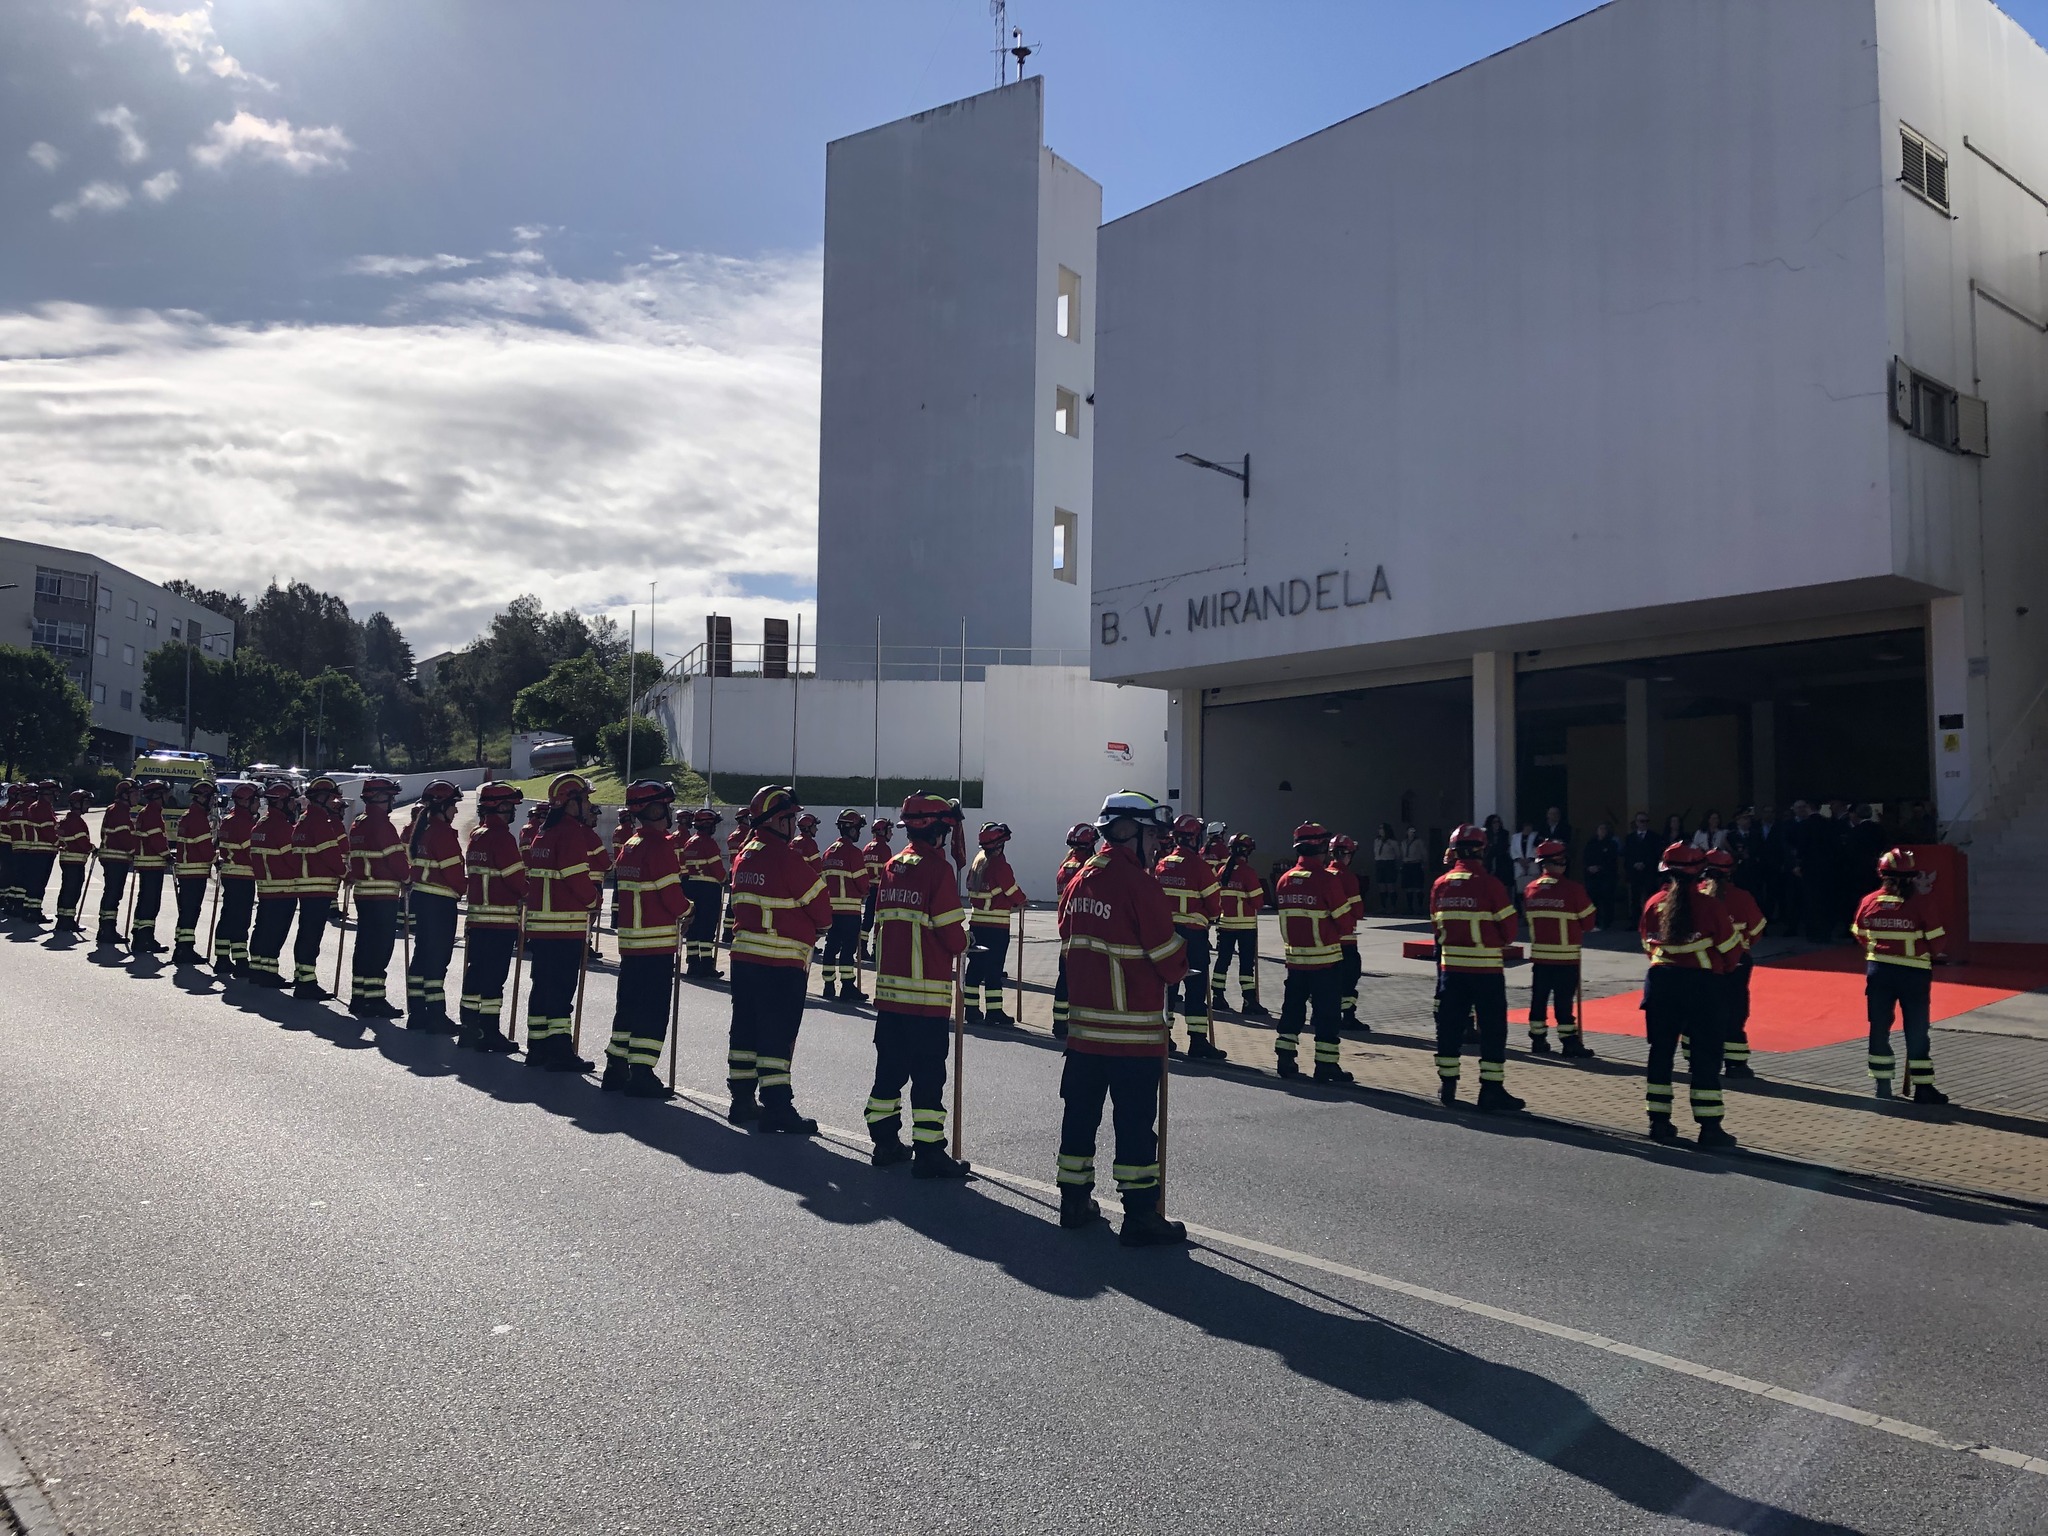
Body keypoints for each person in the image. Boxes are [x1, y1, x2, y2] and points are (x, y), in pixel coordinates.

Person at [1056, 790, 1189, 1246]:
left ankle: (1073, 1202)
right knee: (1134, 1126)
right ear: (1127, 831)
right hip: (1132, 1035)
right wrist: (1183, 943)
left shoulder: (1080, 879)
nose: (1157, 846)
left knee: (1079, 1118)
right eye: (1152, 835)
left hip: (1083, 1035)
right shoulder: (1140, 885)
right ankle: (1139, 1217)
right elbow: (1170, 963)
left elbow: (1065, 936)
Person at [866, 792, 973, 1177]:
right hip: (925, 999)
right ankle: (929, 1153)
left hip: (889, 999)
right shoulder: (937, 870)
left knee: (888, 1072)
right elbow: (951, 935)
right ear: (937, 830)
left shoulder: (892, 866)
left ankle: (884, 1144)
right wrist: (965, 941)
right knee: (928, 1079)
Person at [726, 785, 835, 1132]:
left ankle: (741, 1101)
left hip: (745, 961)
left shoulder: (744, 856)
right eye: (792, 818)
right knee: (777, 1034)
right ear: (779, 820)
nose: (796, 823)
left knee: (744, 1031)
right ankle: (776, 1106)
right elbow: (823, 911)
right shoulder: (787, 858)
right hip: (781, 964)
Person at [1639, 843, 1743, 1148]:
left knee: (1660, 1055)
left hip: (1661, 985)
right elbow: (1732, 952)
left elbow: (1648, 946)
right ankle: (1709, 1128)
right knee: (1704, 1059)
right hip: (1703, 989)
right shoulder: (1710, 907)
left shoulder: (1652, 904)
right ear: (1700, 871)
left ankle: (1658, 1123)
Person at [602, 779, 693, 1100]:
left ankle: (616, 1066)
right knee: (652, 1010)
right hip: (655, 943)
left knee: (627, 1006)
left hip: (631, 942)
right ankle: (642, 1072)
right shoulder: (659, 845)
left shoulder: (630, 845)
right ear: (654, 809)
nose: (668, 811)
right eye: (665, 805)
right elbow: (672, 896)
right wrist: (689, 909)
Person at [1430, 822, 1523, 1112]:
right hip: (1486, 973)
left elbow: (1436, 924)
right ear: (1483, 850)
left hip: (1451, 972)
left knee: (1449, 1028)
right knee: (1493, 1031)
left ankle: (1448, 1084)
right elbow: (1509, 931)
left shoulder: (1440, 884)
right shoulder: (1491, 884)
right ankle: (1491, 1091)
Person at [521, 773, 608, 1071]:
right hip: (565, 927)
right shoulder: (570, 833)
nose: (588, 804)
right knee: (560, 992)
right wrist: (594, 901)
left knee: (543, 988)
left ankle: (537, 1048)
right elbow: (576, 879)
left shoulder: (544, 833)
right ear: (572, 802)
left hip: (542, 928)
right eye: (585, 799)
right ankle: (559, 1051)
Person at [1853, 848, 1949, 1104]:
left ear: (1882, 875)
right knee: (1916, 1029)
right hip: (1914, 974)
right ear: (1912, 876)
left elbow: (1859, 933)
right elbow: (1937, 942)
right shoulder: (1921, 903)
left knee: (1879, 1027)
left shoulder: (1868, 901)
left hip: (1879, 972)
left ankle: (1882, 1084)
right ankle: (1923, 1088)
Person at [1273, 822, 1356, 1084]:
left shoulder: (1284, 880)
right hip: (1325, 963)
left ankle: (1285, 1059)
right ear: (1321, 847)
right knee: (1327, 1015)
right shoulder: (1326, 881)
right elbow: (1346, 923)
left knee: (1292, 1012)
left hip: (1295, 962)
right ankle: (1326, 1065)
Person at [458, 783, 527, 1053]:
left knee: (475, 976)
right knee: (493, 979)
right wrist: (528, 893)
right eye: (510, 806)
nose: (512, 812)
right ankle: (489, 1030)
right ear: (499, 807)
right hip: (499, 921)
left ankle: (469, 1028)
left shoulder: (477, 835)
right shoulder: (502, 837)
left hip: (477, 920)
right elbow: (516, 881)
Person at [1154, 814, 1226, 1061]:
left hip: (1166, 936)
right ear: (1196, 838)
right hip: (1194, 937)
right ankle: (1198, 1041)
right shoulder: (1199, 867)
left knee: (1169, 987)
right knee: (1196, 990)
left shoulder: (1162, 864)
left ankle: (1165, 1036)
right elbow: (1215, 907)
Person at [1522, 840, 1596, 1058]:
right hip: (1566, 958)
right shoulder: (1573, 890)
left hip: (1539, 959)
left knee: (1539, 1000)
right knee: (1563, 1003)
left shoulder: (1530, 889)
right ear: (1561, 861)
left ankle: (1537, 1039)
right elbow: (1589, 923)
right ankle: (1569, 1042)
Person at [344, 777, 410, 1020]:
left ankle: (359, 996)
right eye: (391, 796)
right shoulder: (382, 824)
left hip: (363, 893)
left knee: (364, 946)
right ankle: (374, 999)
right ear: (382, 797)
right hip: (383, 894)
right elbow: (396, 860)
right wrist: (407, 878)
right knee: (380, 948)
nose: (393, 800)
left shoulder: (358, 823)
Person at [404, 780, 466, 1032]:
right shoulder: (442, 834)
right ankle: (436, 1016)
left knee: (422, 957)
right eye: (453, 805)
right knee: (437, 959)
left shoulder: (425, 830)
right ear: (442, 806)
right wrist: (464, 888)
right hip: (440, 903)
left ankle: (417, 1012)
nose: (457, 811)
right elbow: (454, 875)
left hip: (423, 900)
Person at [1703, 847, 1764, 1079]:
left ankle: (1701, 1060)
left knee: (1704, 1013)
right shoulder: (1742, 898)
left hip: (1706, 965)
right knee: (1736, 1012)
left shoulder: (1696, 897)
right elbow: (1757, 930)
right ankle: (1736, 1064)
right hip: (1738, 963)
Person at [289, 777, 348, 1000]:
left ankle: (301, 976)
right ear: (322, 798)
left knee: (306, 933)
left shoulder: (304, 820)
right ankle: (306, 983)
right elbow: (331, 855)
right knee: (311, 936)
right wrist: (345, 874)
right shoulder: (320, 822)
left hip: (306, 886)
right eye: (331, 797)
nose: (334, 802)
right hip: (319, 886)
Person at [965, 821, 1026, 1026]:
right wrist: (1023, 901)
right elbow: (1013, 893)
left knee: (975, 968)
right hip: (997, 927)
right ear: (999, 845)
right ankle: (994, 1011)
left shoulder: (977, 861)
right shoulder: (1000, 865)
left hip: (976, 924)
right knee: (993, 970)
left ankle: (971, 1010)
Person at [244, 781, 302, 990]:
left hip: (265, 888)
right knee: (275, 932)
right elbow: (292, 860)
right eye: (291, 801)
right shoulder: (283, 828)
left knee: (262, 929)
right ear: (281, 803)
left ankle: (257, 969)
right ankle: (268, 972)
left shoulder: (260, 825)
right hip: (283, 889)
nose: (294, 805)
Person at [1211, 832, 1268, 1018]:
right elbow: (1258, 902)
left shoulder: (1222, 871)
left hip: (1225, 924)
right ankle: (1249, 1000)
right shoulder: (1248, 872)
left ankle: (1217, 996)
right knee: (1246, 966)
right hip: (1246, 927)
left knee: (1223, 961)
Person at [819, 809, 871, 1002]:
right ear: (850, 830)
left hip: (831, 911)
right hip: (850, 912)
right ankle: (848, 987)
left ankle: (828, 985)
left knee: (831, 947)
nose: (859, 833)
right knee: (848, 950)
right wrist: (864, 893)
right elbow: (863, 884)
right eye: (858, 829)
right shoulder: (854, 853)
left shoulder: (828, 852)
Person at [1050, 822, 1097, 1038]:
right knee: (1085, 980)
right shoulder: (1086, 870)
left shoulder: (1064, 867)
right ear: (1089, 846)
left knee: (1064, 978)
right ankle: (1080, 1023)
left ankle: (1059, 1023)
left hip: (1067, 933)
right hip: (1086, 934)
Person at [167, 779, 218, 965]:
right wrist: (216, 860)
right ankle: (184, 950)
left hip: (187, 872)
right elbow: (204, 847)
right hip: (194, 873)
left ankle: (181, 947)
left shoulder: (188, 815)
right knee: (190, 912)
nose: (213, 802)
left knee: (186, 911)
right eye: (211, 798)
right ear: (203, 798)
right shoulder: (198, 818)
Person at [211, 782, 259, 974]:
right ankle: (235, 960)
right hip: (243, 876)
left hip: (231, 875)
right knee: (239, 919)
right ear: (246, 801)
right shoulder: (245, 824)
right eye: (255, 800)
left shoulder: (229, 820)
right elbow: (253, 853)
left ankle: (227, 958)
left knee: (230, 917)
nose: (258, 804)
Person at [677, 808, 728, 980]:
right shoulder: (709, 843)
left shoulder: (690, 842)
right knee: (707, 927)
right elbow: (718, 871)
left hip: (690, 886)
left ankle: (692, 963)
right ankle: (706, 965)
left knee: (693, 926)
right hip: (709, 890)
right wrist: (724, 879)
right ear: (708, 825)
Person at [1327, 833, 1368, 1034]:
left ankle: (1322, 1014)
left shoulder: (1325, 874)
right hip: (1347, 941)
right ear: (1348, 855)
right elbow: (1358, 911)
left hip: (1327, 941)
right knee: (1349, 981)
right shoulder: (1348, 878)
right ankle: (1348, 1017)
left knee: (1328, 981)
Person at [128, 779, 173, 955]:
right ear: (158, 795)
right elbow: (157, 840)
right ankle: (145, 938)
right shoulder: (153, 814)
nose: (168, 796)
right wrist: (167, 856)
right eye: (166, 793)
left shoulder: (146, 812)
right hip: (152, 864)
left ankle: (139, 934)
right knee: (151, 903)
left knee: (144, 900)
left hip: (146, 864)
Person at [94, 778, 138, 947]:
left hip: (113, 858)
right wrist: (136, 853)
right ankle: (107, 929)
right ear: (125, 795)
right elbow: (124, 837)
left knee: (112, 894)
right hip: (116, 859)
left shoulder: (118, 810)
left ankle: (106, 928)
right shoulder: (119, 811)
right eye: (134, 794)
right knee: (113, 895)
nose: (137, 797)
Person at [10, 780, 57, 928]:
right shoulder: (41, 807)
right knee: (37, 883)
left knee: (22, 881)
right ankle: (33, 911)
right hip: (40, 850)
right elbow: (47, 829)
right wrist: (59, 842)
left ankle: (22, 907)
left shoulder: (14, 809)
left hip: (20, 848)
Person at [51, 788, 94, 936]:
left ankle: (62, 919)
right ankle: (67, 920)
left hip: (67, 860)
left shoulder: (67, 820)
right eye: (86, 802)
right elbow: (82, 842)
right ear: (77, 804)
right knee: (72, 891)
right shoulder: (76, 821)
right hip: (74, 861)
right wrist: (93, 849)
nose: (88, 806)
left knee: (66, 890)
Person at [859, 815, 893, 963]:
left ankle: (861, 948)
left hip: (869, 891)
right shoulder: (885, 849)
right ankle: (875, 951)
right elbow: (888, 873)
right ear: (882, 831)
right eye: (889, 830)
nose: (891, 833)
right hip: (881, 891)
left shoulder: (866, 848)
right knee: (879, 922)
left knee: (867, 920)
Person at [1582, 821, 1623, 929]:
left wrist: (1600, 867)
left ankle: (1607, 922)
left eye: (1604, 829)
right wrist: (1589, 867)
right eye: (1600, 829)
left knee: (1607, 898)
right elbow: (1585, 858)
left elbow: (1612, 860)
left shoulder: (1612, 844)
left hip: (1607, 876)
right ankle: (1594, 922)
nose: (1602, 831)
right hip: (1592, 876)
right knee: (1592, 899)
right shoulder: (1591, 843)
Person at [1622, 812, 1661, 920]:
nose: (1644, 824)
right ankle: (1635, 921)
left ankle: (1652, 921)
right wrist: (1634, 864)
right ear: (1636, 823)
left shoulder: (1654, 837)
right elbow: (1627, 855)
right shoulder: (1629, 838)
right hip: (1634, 872)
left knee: (1651, 897)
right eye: (1641, 821)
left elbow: (1656, 854)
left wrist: (1645, 864)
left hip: (1649, 872)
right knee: (1635, 898)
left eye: (1646, 821)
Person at [1372, 823, 1401, 914]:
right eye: (1379, 828)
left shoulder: (1392, 842)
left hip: (1389, 863)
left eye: (1382, 828)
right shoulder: (1377, 840)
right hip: (1379, 863)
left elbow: (1398, 854)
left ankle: (1393, 906)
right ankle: (1383, 906)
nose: (1380, 830)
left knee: (1390, 886)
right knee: (1381, 886)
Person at [1398, 825, 1427, 916]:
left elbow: (1424, 853)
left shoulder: (1419, 842)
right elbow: (1401, 854)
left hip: (1416, 864)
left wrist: (1424, 863)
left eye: (1413, 832)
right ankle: (1409, 908)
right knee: (1408, 888)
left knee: (1418, 887)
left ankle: (1420, 907)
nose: (1412, 833)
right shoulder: (1403, 842)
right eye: (1410, 831)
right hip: (1407, 864)